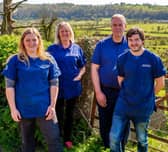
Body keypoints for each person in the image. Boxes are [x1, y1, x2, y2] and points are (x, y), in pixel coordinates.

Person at [2, 28, 63, 152]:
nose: (31, 43)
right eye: (27, 40)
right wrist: (13, 109)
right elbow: (9, 86)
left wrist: (52, 106)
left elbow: (54, 83)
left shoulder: (48, 59)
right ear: (23, 42)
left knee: (54, 139)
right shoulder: (15, 60)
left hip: (45, 108)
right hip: (23, 108)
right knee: (27, 142)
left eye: (34, 40)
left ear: (39, 41)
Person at [109, 27, 166, 152]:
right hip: (123, 105)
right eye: (130, 40)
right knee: (113, 137)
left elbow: (160, 83)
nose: (133, 43)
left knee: (142, 139)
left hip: (143, 107)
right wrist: (129, 93)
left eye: (136, 40)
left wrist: (147, 97)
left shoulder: (153, 59)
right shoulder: (122, 58)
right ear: (127, 41)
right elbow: (120, 79)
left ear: (142, 41)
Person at [91, 14, 129, 149]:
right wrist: (98, 92)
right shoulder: (102, 45)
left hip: (125, 92)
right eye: (115, 25)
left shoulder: (132, 44)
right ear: (110, 26)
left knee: (123, 122)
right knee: (105, 122)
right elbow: (94, 69)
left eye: (120, 25)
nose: (117, 27)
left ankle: (121, 147)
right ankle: (107, 147)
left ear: (125, 26)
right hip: (105, 90)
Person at [47, 21, 86, 149]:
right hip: (57, 87)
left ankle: (68, 139)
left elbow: (83, 66)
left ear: (71, 33)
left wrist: (79, 76)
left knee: (69, 114)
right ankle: (56, 138)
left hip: (72, 87)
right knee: (57, 113)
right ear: (58, 33)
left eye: (67, 31)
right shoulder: (52, 49)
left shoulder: (77, 48)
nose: (65, 33)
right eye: (62, 31)